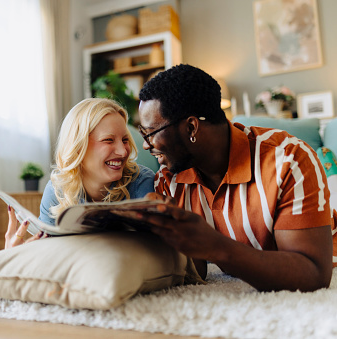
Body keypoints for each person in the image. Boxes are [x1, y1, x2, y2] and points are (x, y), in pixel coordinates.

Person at [134, 64, 337, 292]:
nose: (145, 144)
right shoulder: (169, 179)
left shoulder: (288, 160)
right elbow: (194, 271)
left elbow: (314, 274)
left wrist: (214, 246)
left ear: (191, 128)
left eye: (149, 133)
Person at [5, 98, 156, 248]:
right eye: (108, 140)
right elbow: (47, 254)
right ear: (78, 147)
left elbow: (155, 251)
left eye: (124, 140)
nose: (123, 151)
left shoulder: (141, 184)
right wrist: (16, 256)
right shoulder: (57, 191)